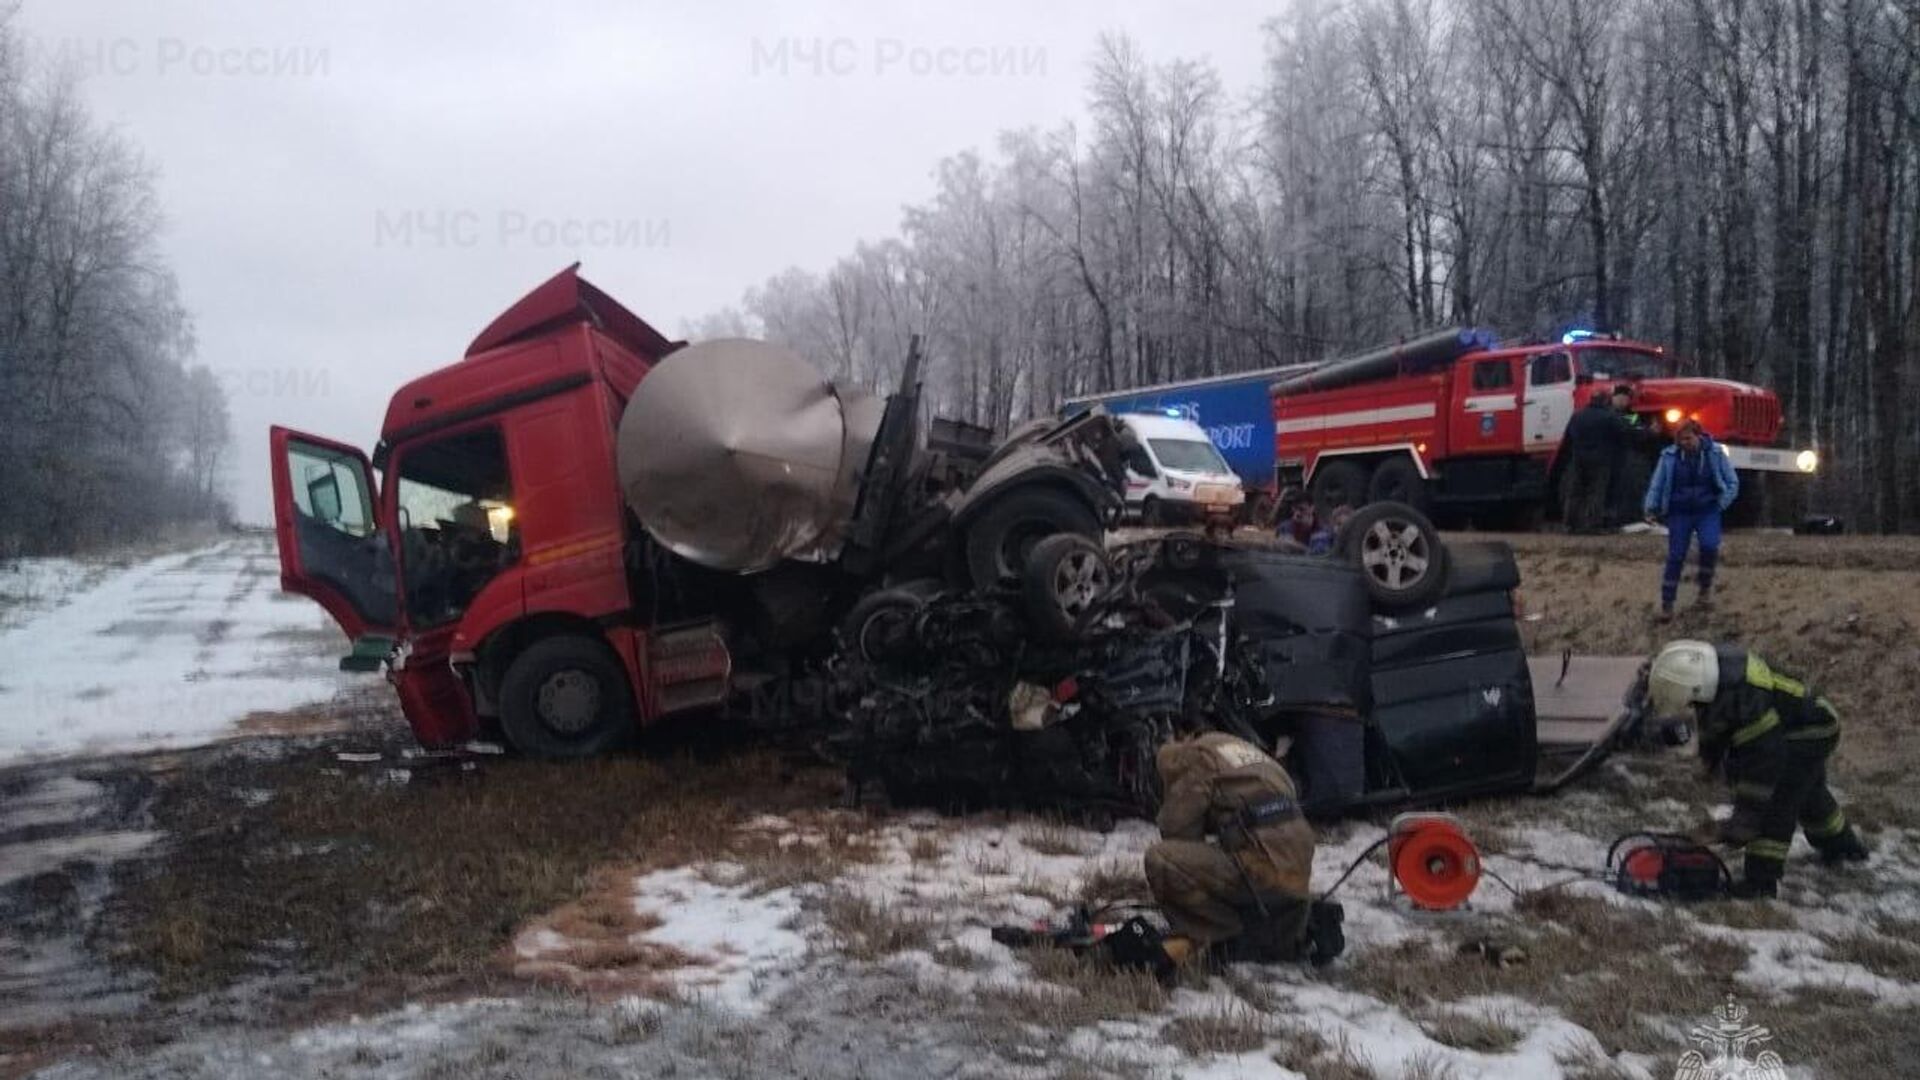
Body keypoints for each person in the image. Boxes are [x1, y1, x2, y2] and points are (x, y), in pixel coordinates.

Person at [1647, 640, 1870, 898]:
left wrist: (1743, 822)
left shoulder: (1747, 698)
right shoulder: (1712, 676)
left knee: (1779, 800)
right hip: (1793, 725)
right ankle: (1844, 846)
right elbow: (1717, 726)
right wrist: (1711, 760)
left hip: (1812, 730)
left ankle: (1761, 882)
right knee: (1807, 793)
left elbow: (1762, 766)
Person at [1143, 733, 1342, 967]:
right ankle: (1295, 918)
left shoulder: (1191, 761)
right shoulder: (1237, 751)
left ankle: (1218, 933)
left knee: (1162, 859)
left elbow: (1177, 832)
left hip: (1262, 862)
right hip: (1297, 863)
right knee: (1247, 866)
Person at [1643, 420, 1739, 620]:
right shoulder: (1669, 457)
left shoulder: (1715, 453)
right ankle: (1667, 602)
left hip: (1707, 509)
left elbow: (1731, 482)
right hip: (1679, 511)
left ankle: (1704, 589)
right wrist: (1651, 507)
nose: (1684, 443)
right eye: (1680, 440)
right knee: (1676, 555)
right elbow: (1657, 483)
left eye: (1688, 438)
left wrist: (1721, 503)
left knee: (1710, 546)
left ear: (1698, 436)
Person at [1562, 387, 1625, 533]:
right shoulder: (1609, 416)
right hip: (1600, 460)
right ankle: (1593, 525)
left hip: (1578, 459)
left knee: (1575, 492)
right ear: (1605, 400)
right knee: (1596, 492)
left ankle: (1570, 524)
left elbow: (1568, 438)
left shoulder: (1577, 416)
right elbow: (1622, 435)